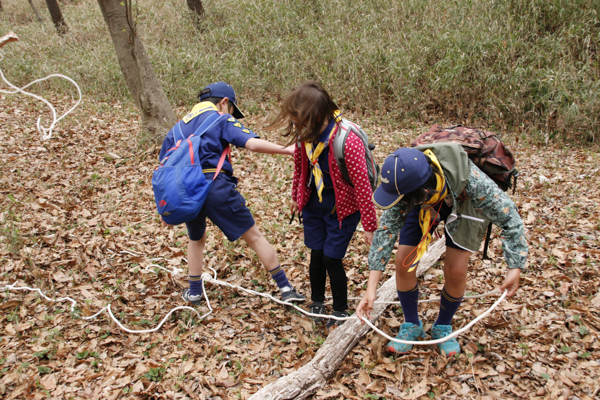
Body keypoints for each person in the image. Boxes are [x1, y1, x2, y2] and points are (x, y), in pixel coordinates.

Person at [356, 144, 527, 355]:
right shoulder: (403, 186)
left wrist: (515, 267)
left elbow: (510, 217)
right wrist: (371, 288)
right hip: (420, 201)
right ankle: (411, 324)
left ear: (423, 192)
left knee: (456, 269)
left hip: (463, 201)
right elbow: (386, 232)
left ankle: (443, 326)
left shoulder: (473, 182)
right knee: (403, 260)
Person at [159, 82, 305, 305]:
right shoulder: (220, 118)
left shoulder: (177, 127)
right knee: (254, 237)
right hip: (215, 188)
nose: (231, 114)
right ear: (224, 102)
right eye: (231, 110)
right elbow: (252, 144)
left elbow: (165, 165)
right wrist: (286, 149)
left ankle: (195, 292)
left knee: (196, 238)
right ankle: (285, 287)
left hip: (186, 191)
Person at [271, 81, 377, 328]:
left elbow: (362, 186)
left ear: (317, 116)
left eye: (301, 121)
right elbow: (301, 168)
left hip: (342, 208)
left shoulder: (346, 141)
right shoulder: (304, 136)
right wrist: (297, 198)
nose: (297, 127)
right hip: (314, 204)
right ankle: (317, 301)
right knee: (316, 255)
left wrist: (369, 225)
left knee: (332, 258)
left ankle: (340, 309)